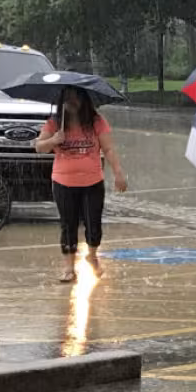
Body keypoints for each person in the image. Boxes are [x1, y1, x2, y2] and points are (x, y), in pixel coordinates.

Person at [34, 86, 128, 282]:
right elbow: (39, 147)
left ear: (84, 99)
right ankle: (69, 268)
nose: (71, 101)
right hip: (63, 182)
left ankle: (92, 256)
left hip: (92, 181)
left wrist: (118, 172)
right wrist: (53, 140)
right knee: (68, 225)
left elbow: (108, 149)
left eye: (75, 97)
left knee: (93, 224)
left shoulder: (96, 122)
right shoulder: (54, 124)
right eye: (67, 97)